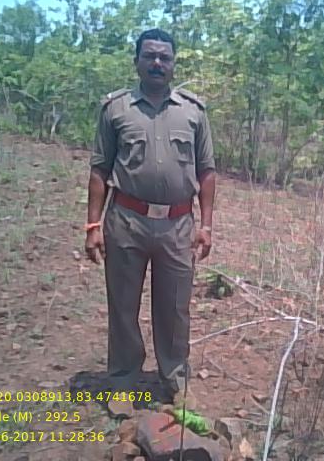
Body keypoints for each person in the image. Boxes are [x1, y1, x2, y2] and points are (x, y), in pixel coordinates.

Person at [84, 28, 216, 405]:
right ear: (137, 61)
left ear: (173, 64)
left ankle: (175, 381)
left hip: (178, 225)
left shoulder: (193, 112)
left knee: (175, 308)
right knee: (123, 305)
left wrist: (206, 225)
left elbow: (207, 172)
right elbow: (99, 170)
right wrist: (93, 225)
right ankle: (123, 382)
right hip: (126, 221)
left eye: (164, 57)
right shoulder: (116, 109)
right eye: (150, 56)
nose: (157, 62)